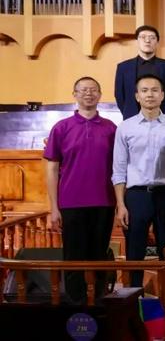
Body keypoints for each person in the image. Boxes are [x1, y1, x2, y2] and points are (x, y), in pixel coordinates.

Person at [44, 76, 117, 304]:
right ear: (74, 94)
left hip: (104, 202)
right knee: (73, 257)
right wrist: (53, 208)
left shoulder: (111, 128)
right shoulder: (61, 127)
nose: (88, 93)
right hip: (71, 202)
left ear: (100, 95)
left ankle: (99, 301)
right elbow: (52, 169)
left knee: (99, 255)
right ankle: (75, 304)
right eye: (83, 90)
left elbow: (119, 168)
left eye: (93, 90)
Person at [112, 75, 165, 287]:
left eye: (154, 90)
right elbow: (118, 169)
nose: (150, 94)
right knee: (135, 252)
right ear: (137, 96)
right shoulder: (125, 127)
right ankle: (133, 303)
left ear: (162, 95)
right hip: (137, 195)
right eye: (144, 90)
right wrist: (121, 204)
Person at [114, 25, 165, 118]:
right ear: (137, 41)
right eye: (143, 37)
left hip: (163, 119)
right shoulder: (123, 67)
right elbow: (119, 96)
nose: (147, 41)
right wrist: (129, 114)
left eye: (152, 38)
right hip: (132, 119)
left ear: (157, 42)